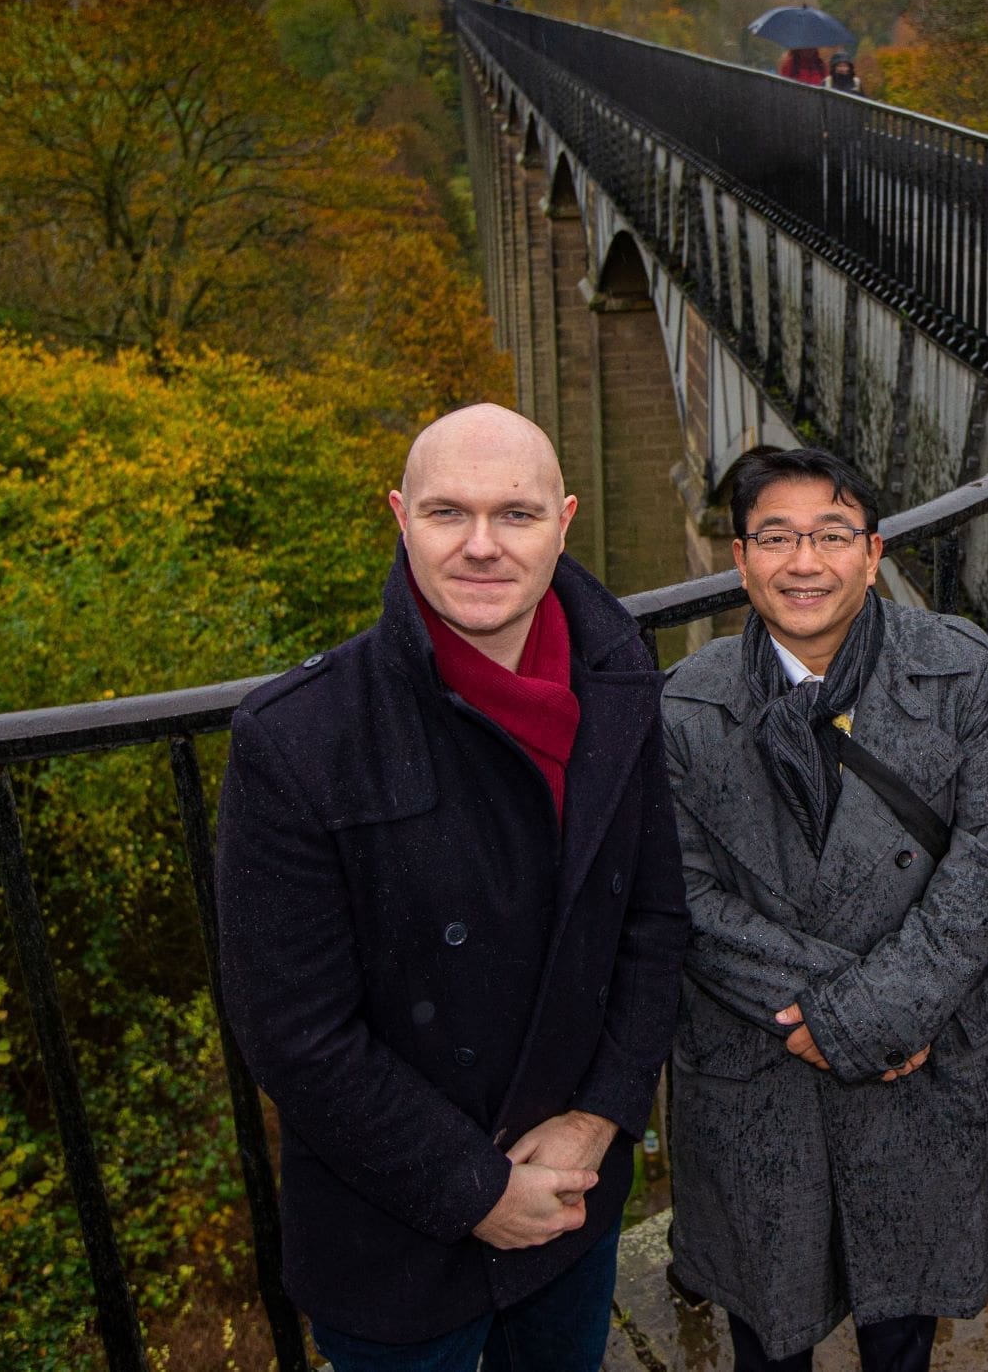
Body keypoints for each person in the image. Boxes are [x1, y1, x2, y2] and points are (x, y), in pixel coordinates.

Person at [216, 403, 689, 1372]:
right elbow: (293, 1031)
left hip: (567, 1194)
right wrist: (473, 1186)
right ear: (399, 516)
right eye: (447, 513)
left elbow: (652, 916)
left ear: (565, 519)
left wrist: (600, 1116)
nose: (481, 545)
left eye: (514, 514)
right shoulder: (300, 738)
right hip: (393, 1239)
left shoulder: (617, 677)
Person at [662, 447, 988, 1372]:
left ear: (872, 556)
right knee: (768, 1322)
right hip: (766, 1056)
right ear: (742, 560)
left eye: (831, 536)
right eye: (777, 538)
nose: (805, 562)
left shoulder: (954, 670)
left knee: (904, 1319)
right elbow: (684, 892)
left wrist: (876, 1012)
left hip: (912, 1056)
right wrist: (846, 1014)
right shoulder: (686, 703)